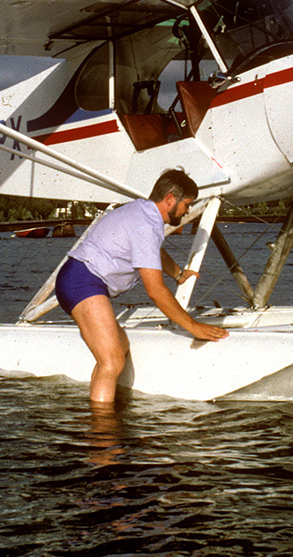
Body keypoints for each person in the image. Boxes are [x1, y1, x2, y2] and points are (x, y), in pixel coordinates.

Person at [54, 169, 228, 408]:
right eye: (186, 204)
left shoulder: (143, 212)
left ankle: (94, 407)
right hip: (82, 281)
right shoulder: (146, 225)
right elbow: (155, 291)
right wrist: (193, 326)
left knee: (119, 350)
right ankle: (102, 433)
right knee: (112, 361)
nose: (188, 211)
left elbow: (152, 250)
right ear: (169, 199)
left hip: (81, 278)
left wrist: (178, 273)